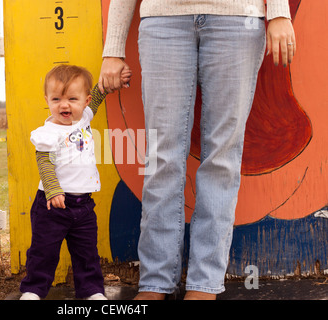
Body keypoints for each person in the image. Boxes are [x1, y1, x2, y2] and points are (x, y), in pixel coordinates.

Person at [99, 0, 296, 300]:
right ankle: (155, 282)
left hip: (237, 19)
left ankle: (204, 284)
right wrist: (113, 48)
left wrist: (279, 11)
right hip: (162, 20)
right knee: (161, 157)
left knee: (222, 157)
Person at [20, 64, 131, 300]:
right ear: (47, 100)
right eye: (56, 98)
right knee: (44, 251)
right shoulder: (48, 131)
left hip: (83, 206)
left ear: (84, 101)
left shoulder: (84, 118)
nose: (64, 105)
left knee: (87, 253)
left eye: (72, 98)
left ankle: (92, 291)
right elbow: (44, 162)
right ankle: (33, 290)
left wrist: (115, 80)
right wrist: (52, 190)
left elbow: (99, 96)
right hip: (52, 205)